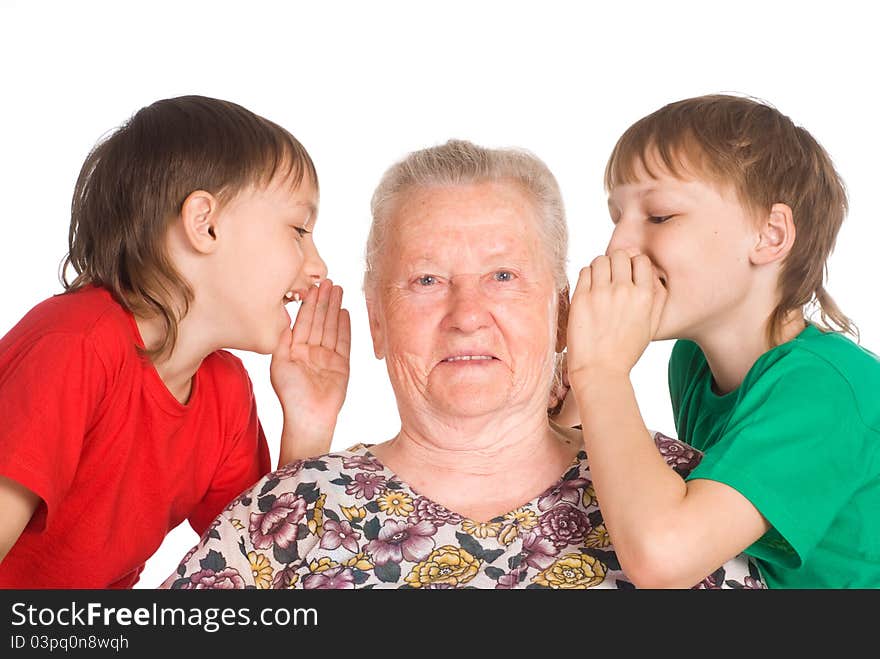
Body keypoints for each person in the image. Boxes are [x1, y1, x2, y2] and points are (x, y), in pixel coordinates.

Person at [160, 139, 762, 589]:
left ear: (561, 314)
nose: (466, 314)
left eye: (503, 277)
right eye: (426, 280)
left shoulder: (691, 496)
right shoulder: (286, 511)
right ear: (376, 322)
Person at [0, 96, 351, 588]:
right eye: (298, 230)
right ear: (204, 223)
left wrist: (308, 427)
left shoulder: (225, 391)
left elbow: (259, 566)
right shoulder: (76, 344)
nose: (317, 267)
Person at [565, 94, 880, 588]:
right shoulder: (690, 361)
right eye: (616, 218)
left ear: (770, 236)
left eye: (660, 216)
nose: (618, 246)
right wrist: (571, 376)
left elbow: (664, 557)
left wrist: (601, 373)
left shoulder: (826, 391)